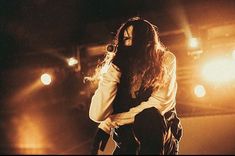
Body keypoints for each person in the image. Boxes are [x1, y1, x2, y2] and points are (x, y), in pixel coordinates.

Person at [87, 17, 182, 155]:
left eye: (134, 38)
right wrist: (114, 70)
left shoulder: (164, 59)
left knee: (149, 116)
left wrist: (111, 122)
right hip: (128, 142)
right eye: (125, 39)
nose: (129, 43)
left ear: (147, 41)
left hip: (161, 137)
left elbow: (159, 104)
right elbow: (97, 114)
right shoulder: (119, 67)